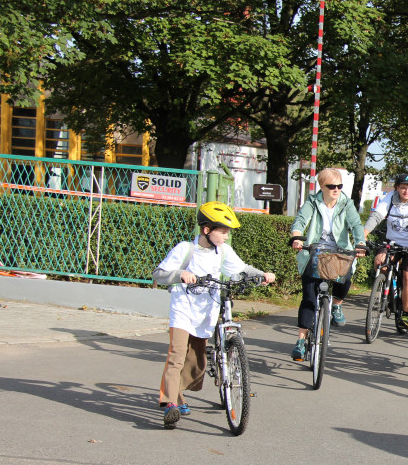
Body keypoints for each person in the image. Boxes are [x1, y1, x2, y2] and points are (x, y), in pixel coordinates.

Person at [153, 201, 276, 429]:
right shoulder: (184, 249)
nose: (227, 237)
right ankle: (169, 403)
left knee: (196, 360)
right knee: (177, 355)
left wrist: (262, 274)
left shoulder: (223, 252)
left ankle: (178, 394)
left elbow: (241, 269)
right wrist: (181, 274)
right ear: (207, 230)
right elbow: (159, 274)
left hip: (206, 313)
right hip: (182, 310)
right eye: (223, 232)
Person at [289, 168, 367, 360]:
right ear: (322, 187)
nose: (336, 190)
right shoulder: (312, 202)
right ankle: (300, 341)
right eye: (331, 186)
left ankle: (337, 305)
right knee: (308, 296)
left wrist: (360, 243)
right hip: (314, 251)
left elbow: (356, 225)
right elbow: (300, 221)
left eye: (339, 186)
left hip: (340, 252)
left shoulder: (346, 203)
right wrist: (297, 237)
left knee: (345, 278)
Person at [363, 172, 408, 331]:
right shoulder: (390, 198)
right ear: (397, 188)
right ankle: (382, 287)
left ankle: (405, 314)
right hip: (391, 243)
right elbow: (377, 216)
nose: (407, 191)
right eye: (403, 188)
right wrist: (363, 234)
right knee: (380, 262)